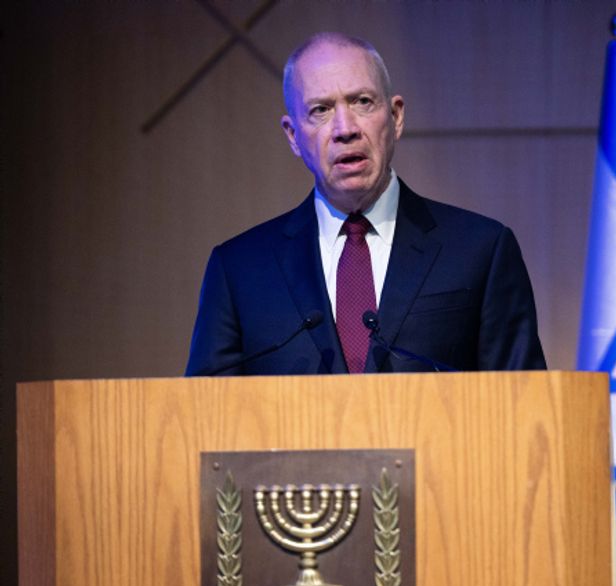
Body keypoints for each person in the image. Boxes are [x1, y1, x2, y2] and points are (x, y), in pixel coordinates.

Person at [185, 33, 546, 375]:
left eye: (362, 102)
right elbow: (206, 416)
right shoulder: (239, 270)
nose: (345, 128)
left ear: (396, 116)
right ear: (293, 136)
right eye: (321, 110)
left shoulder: (480, 249)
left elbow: (524, 403)